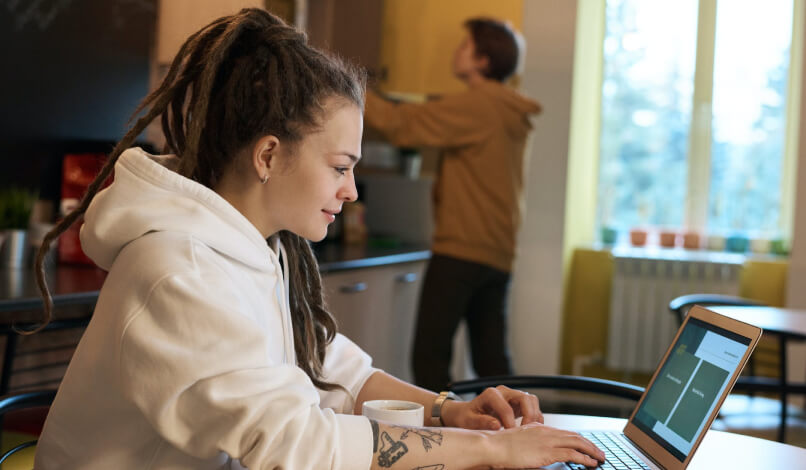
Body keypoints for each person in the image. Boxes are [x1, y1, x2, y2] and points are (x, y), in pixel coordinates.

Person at [31, 9, 602, 469]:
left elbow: (328, 365)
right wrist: (492, 452)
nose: (352, 191)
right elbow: (296, 445)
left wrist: (446, 410)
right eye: (339, 167)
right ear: (269, 155)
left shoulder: (256, 246)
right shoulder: (180, 269)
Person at [363, 18, 541, 392]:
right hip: (498, 252)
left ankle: (441, 438)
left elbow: (402, 125)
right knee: (492, 362)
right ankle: (517, 433)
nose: (455, 51)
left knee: (429, 357)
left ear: (482, 60)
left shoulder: (480, 104)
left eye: (465, 46)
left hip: (460, 250)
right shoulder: (508, 109)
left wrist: (346, 86)